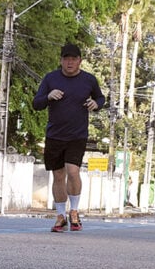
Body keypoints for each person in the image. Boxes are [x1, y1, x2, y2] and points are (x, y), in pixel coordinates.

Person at [31, 44, 106, 232]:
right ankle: (60, 216)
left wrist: (96, 103)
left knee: (73, 172)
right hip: (55, 135)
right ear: (61, 60)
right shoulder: (51, 78)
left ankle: (74, 211)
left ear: (80, 60)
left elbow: (101, 98)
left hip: (77, 135)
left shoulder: (89, 80)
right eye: (66, 58)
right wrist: (48, 96)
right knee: (58, 176)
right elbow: (36, 103)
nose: (69, 62)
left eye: (73, 59)